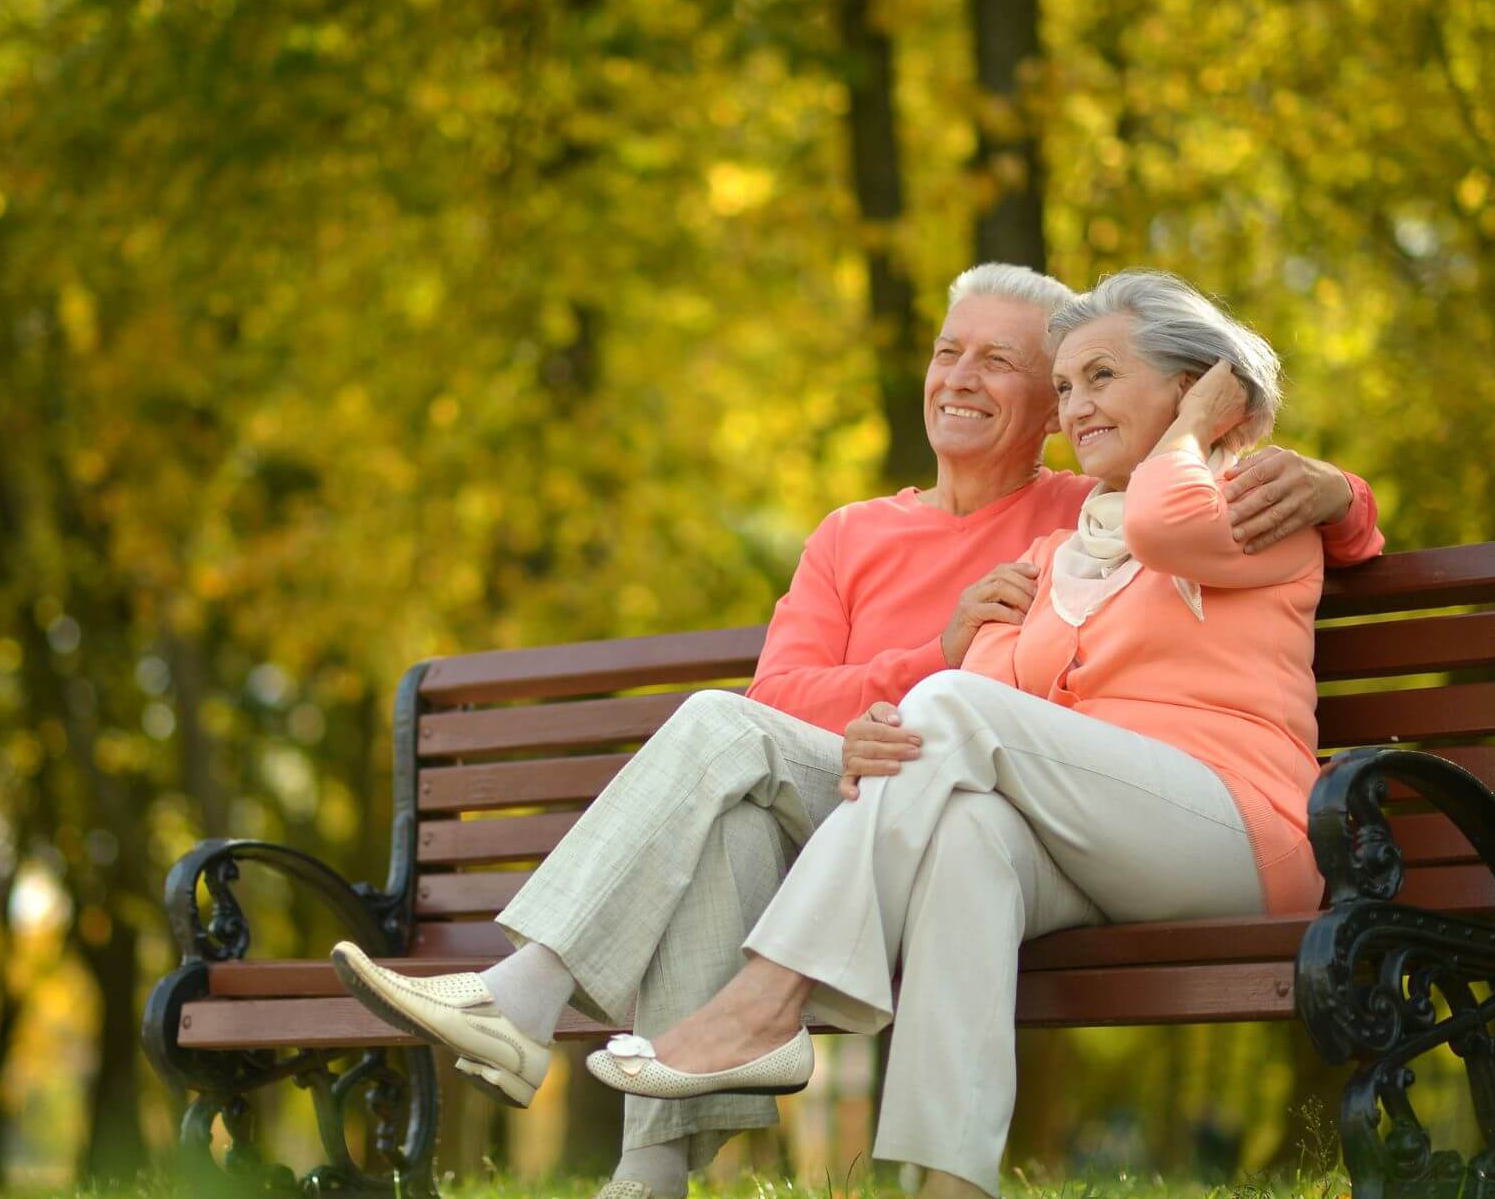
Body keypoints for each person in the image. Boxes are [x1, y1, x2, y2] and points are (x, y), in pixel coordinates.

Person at [331, 265, 1383, 1199]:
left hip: (1214, 816)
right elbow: (824, 696)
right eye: (954, 353)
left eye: (1047, 373)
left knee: (909, 734)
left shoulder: (1181, 493)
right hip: (938, 800)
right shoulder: (1040, 548)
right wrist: (919, 687)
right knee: (922, 815)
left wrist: (1302, 466)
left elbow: (1198, 521)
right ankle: (869, 1179)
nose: (1058, 399)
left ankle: (749, 1004)